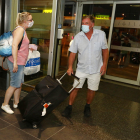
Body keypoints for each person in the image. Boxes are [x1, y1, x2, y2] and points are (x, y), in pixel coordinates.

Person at [61, 15, 109, 117]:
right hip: (81, 69)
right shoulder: (78, 37)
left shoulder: (101, 35)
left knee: (92, 89)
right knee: (75, 87)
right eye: (83, 23)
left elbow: (105, 50)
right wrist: (70, 67)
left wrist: (104, 65)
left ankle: (87, 106)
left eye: (86, 23)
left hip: (96, 69)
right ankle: (69, 107)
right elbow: (72, 53)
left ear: (92, 25)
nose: (84, 25)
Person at [1, 12, 35, 114]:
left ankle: (16, 102)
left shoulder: (22, 30)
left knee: (18, 83)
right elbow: (14, 45)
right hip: (16, 61)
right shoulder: (20, 30)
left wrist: (29, 47)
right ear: (25, 21)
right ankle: (5, 104)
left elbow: (20, 45)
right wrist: (15, 63)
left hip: (20, 61)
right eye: (30, 20)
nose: (32, 21)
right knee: (14, 84)